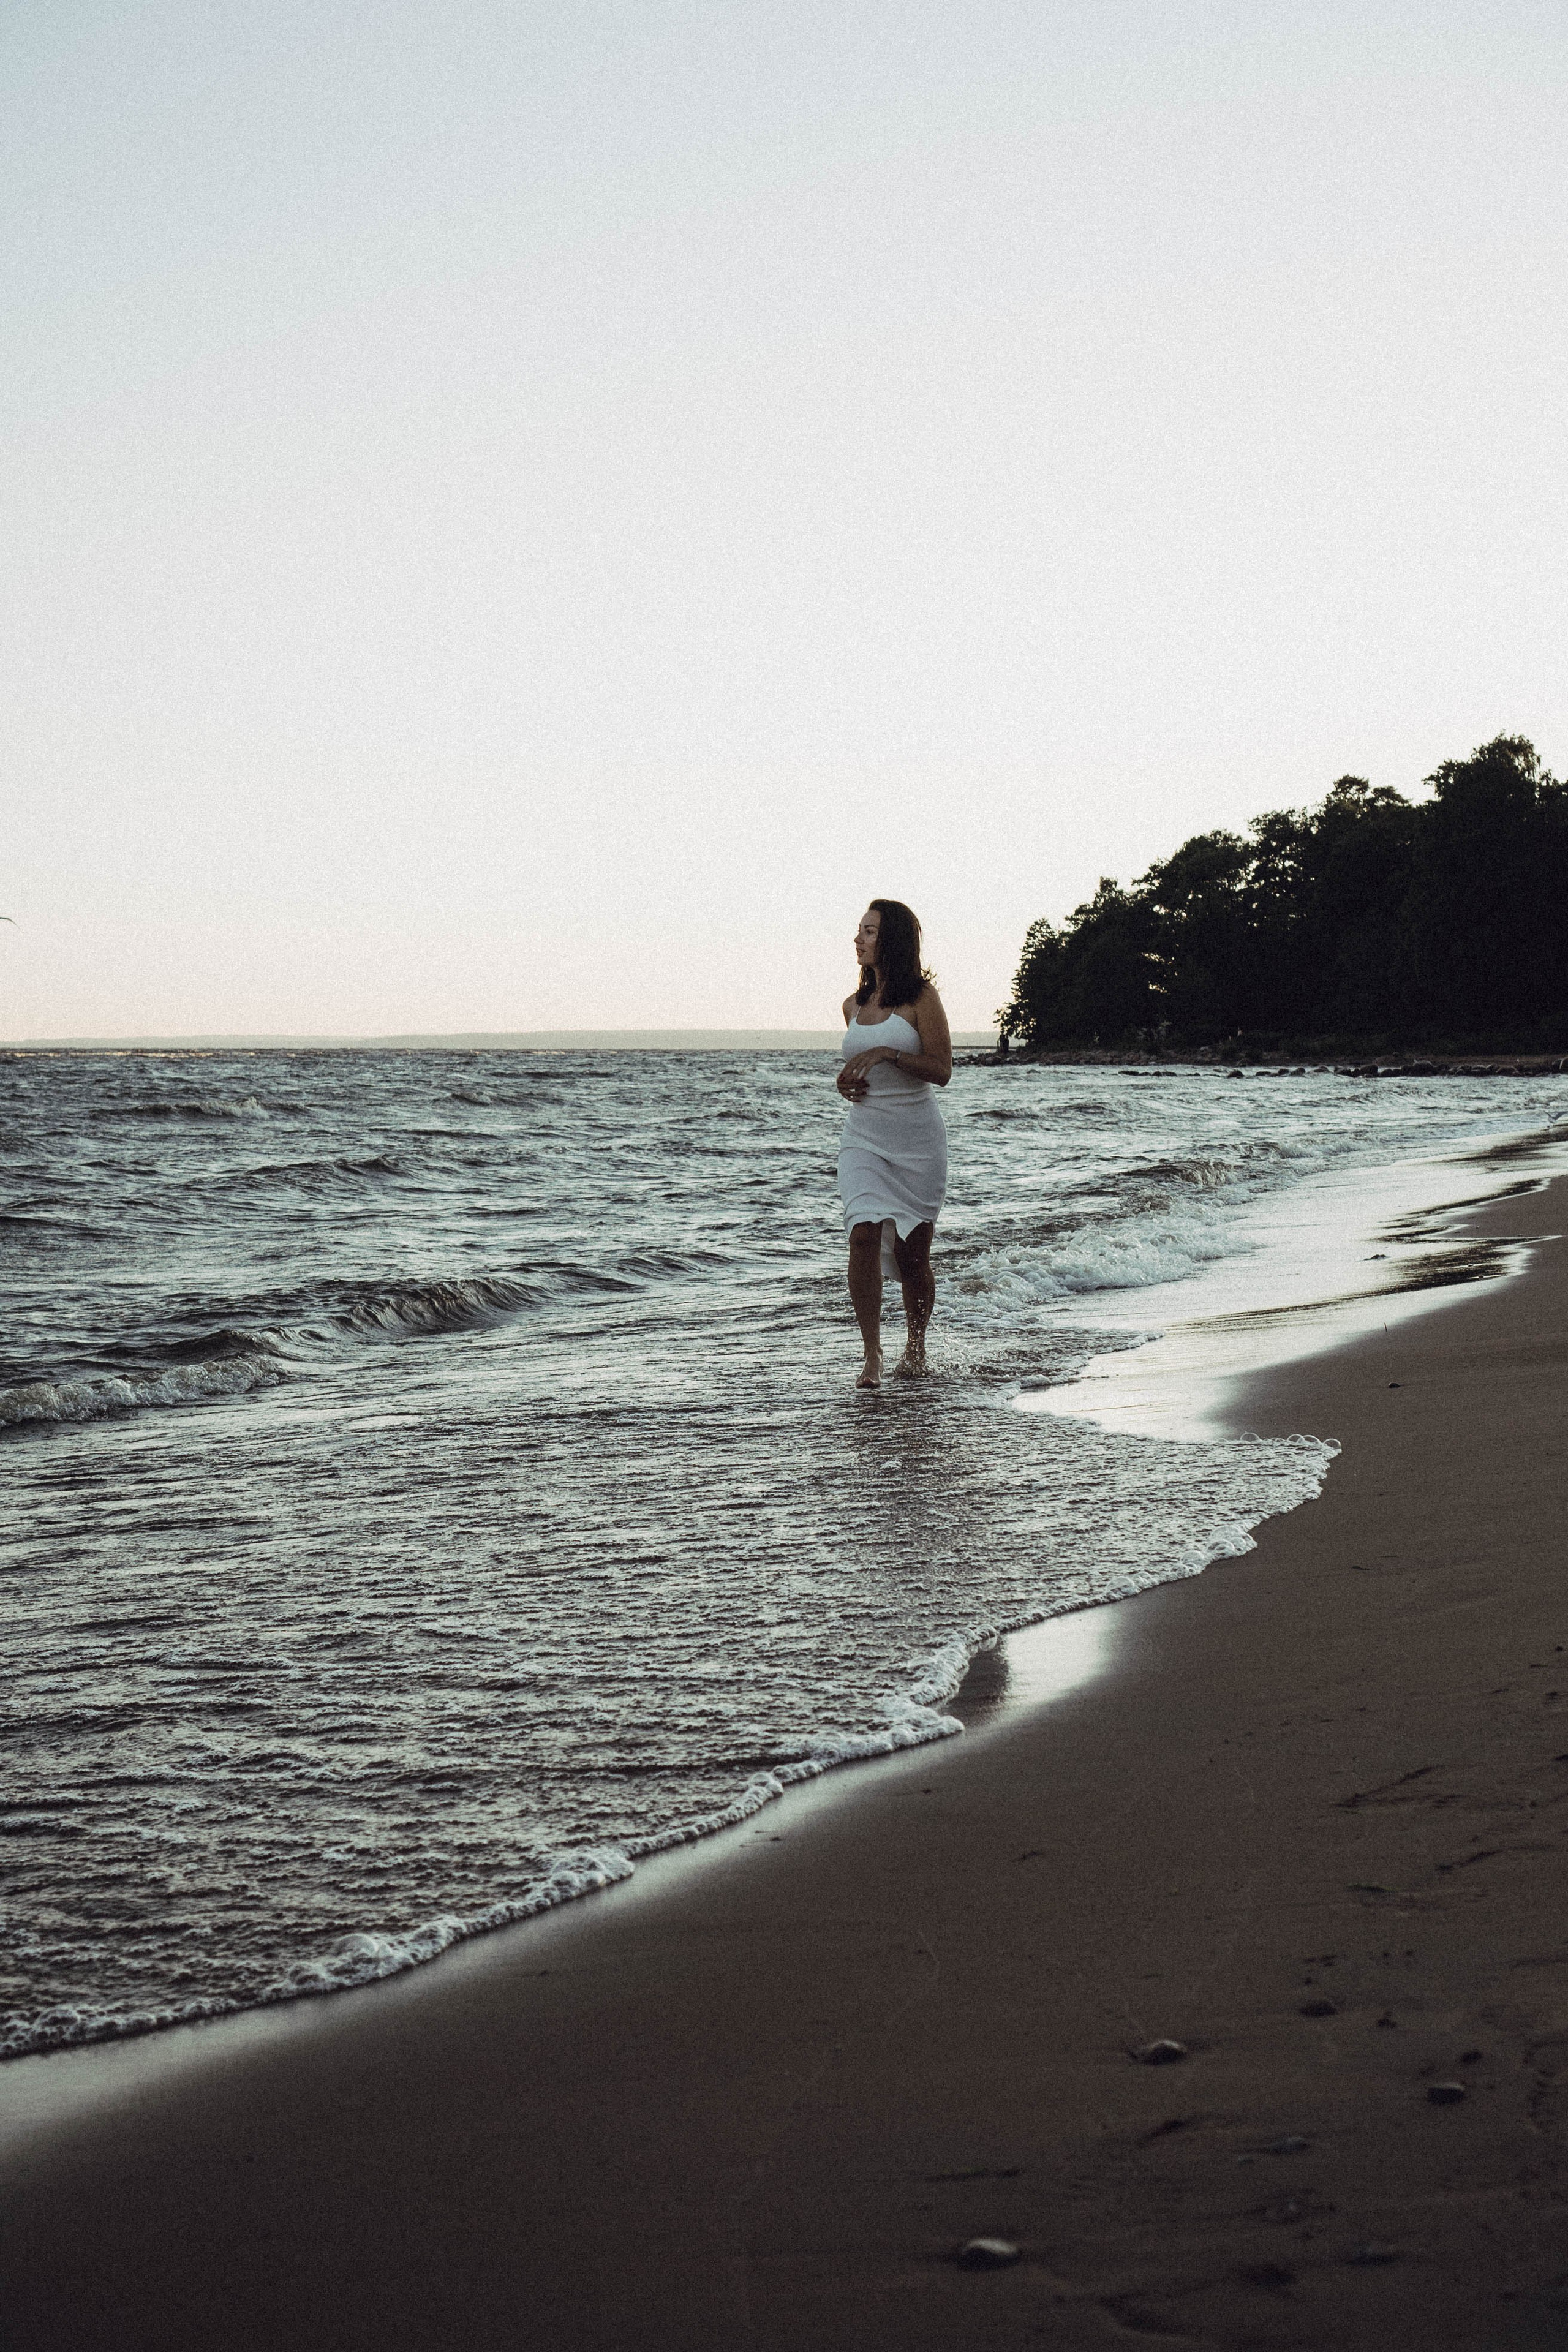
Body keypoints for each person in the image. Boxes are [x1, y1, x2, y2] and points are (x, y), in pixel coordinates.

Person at [835, 900, 952, 1387]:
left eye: (869, 931)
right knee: (862, 1235)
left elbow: (942, 1070)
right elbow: (862, 1072)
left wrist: (888, 1052)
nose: (858, 939)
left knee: (912, 1257)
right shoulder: (852, 1006)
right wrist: (846, 1084)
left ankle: (916, 1348)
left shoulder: (922, 999)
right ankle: (871, 1355)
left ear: (893, 939)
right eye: (859, 930)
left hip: (918, 1143)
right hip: (864, 1138)